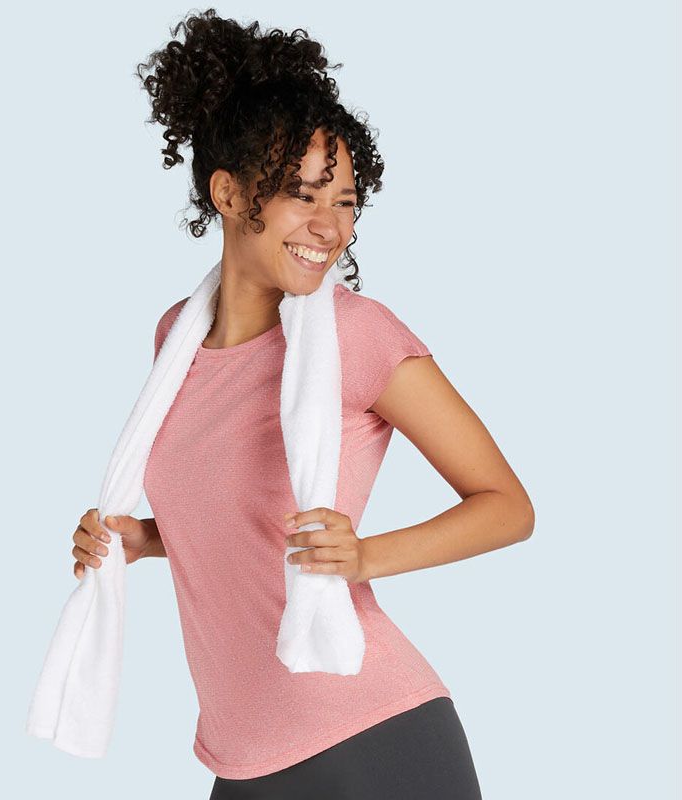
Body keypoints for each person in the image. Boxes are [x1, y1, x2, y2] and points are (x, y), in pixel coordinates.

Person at [70, 9, 534, 799]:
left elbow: (508, 507)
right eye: (302, 195)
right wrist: (145, 538)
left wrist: (367, 556)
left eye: (346, 201)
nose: (331, 227)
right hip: (241, 754)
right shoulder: (175, 338)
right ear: (228, 192)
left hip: (375, 739)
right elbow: (240, 524)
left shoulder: (357, 334)